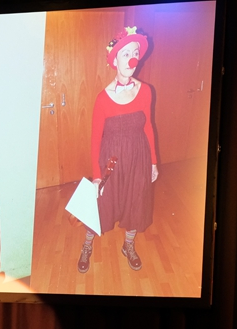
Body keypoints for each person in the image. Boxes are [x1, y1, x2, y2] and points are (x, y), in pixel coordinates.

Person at [78, 27, 158, 274]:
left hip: (139, 157)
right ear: (115, 60)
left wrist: (153, 162)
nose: (132, 59)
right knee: (101, 205)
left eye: (135, 53)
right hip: (110, 161)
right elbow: (95, 138)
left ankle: (128, 246)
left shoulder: (146, 91)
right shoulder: (102, 99)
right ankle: (87, 245)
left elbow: (148, 127)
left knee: (136, 202)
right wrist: (97, 175)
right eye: (126, 54)